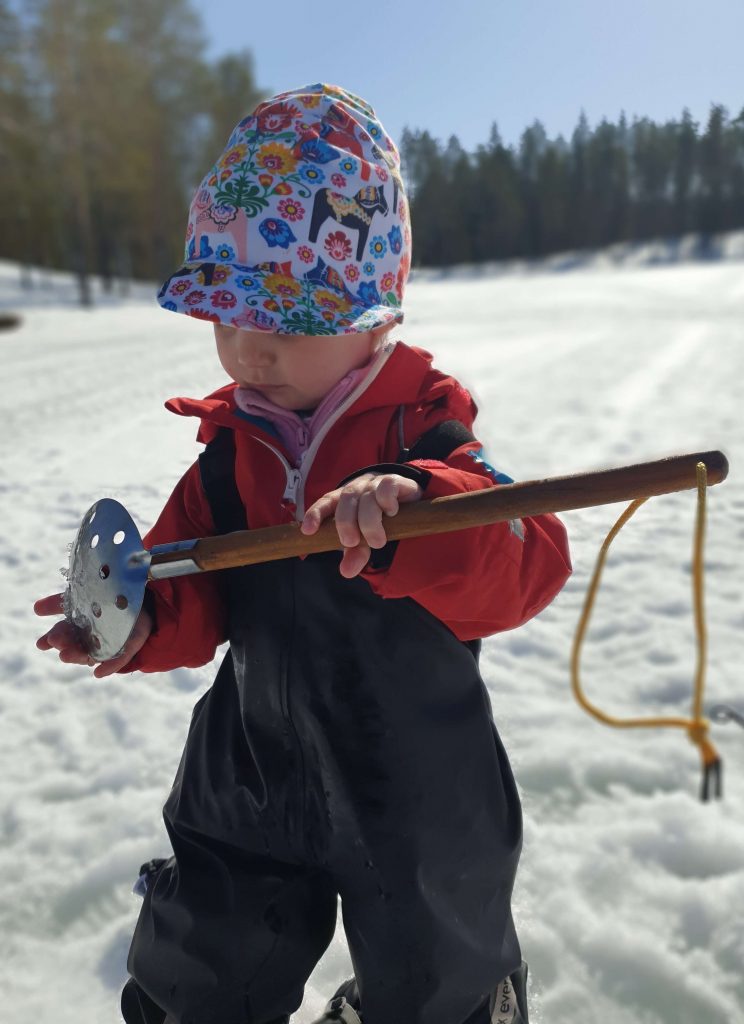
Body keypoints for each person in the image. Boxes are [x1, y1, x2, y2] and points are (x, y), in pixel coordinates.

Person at [35, 83, 571, 1024]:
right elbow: (189, 578)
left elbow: (526, 563)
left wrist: (419, 508)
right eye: (226, 316)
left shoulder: (425, 431)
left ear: (373, 313)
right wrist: (134, 620)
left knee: (436, 966)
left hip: (412, 775)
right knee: (202, 954)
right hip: (249, 766)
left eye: (283, 319)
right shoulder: (230, 449)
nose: (247, 349)